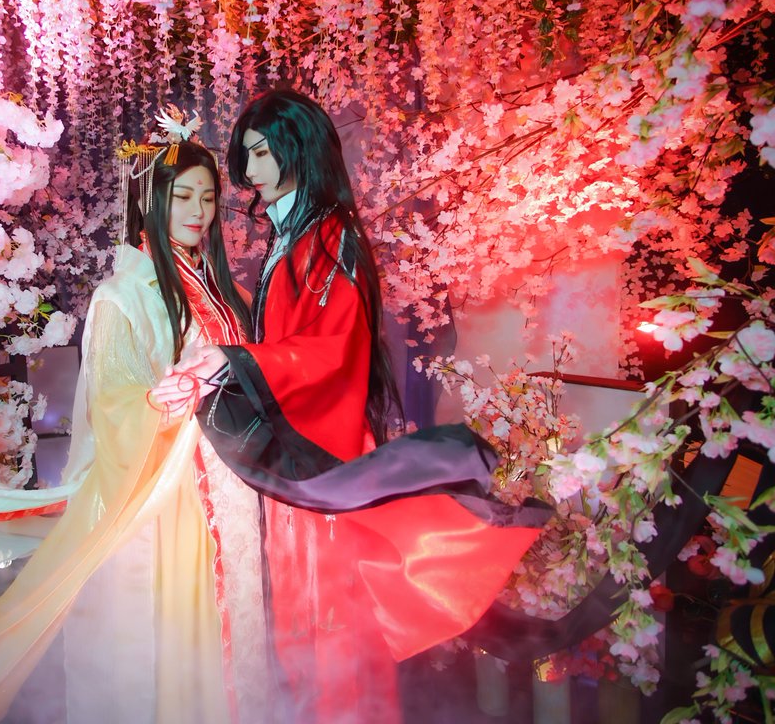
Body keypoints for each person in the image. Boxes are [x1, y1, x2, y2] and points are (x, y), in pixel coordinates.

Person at [0, 119, 272, 724]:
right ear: (150, 201)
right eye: (182, 196)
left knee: (232, 611)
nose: (198, 211)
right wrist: (176, 394)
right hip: (171, 483)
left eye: (207, 197)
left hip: (230, 476)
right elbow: (115, 400)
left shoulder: (222, 289)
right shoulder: (123, 293)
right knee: (178, 625)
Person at [152, 89, 551, 723]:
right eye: (246, 155)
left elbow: (334, 347)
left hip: (321, 453)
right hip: (300, 451)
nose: (248, 172)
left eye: (262, 153)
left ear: (298, 149)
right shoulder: (298, 233)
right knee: (305, 623)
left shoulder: (329, 236)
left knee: (330, 624)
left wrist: (236, 360)